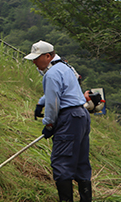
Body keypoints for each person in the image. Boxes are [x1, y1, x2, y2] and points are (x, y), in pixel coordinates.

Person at [24, 40, 91, 202]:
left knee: (61, 162)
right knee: (81, 162)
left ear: (48, 56)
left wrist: (49, 124)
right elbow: (60, 92)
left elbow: (54, 104)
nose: (34, 62)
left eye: (36, 58)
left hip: (69, 118)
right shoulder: (65, 68)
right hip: (81, 115)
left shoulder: (52, 74)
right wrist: (41, 102)